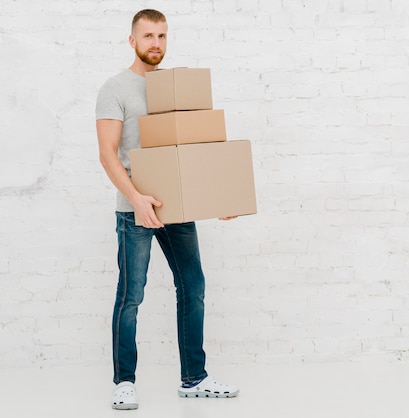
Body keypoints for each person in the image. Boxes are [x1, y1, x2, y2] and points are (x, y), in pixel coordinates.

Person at [95, 9, 239, 410]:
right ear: (132, 40)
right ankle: (124, 381)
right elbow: (107, 155)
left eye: (161, 36)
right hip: (134, 208)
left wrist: (218, 197)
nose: (155, 43)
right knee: (132, 295)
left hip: (176, 208)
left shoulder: (176, 88)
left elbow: (193, 148)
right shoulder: (115, 88)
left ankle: (194, 377)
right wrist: (137, 199)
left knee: (192, 287)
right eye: (148, 36)